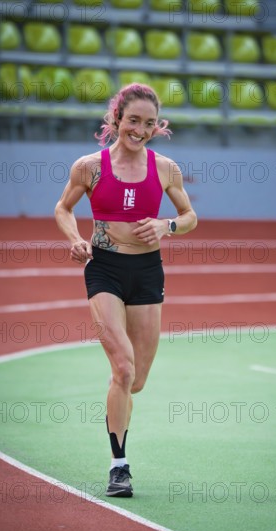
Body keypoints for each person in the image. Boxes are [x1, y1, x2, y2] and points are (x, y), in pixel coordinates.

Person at [55, 83, 197, 498]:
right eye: (133, 120)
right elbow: (63, 209)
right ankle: (119, 466)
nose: (140, 129)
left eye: (149, 123)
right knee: (123, 368)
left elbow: (189, 216)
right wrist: (74, 238)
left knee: (137, 380)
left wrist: (165, 225)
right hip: (105, 270)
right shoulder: (89, 166)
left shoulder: (166, 167)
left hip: (148, 272)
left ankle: (119, 398)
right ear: (116, 118)